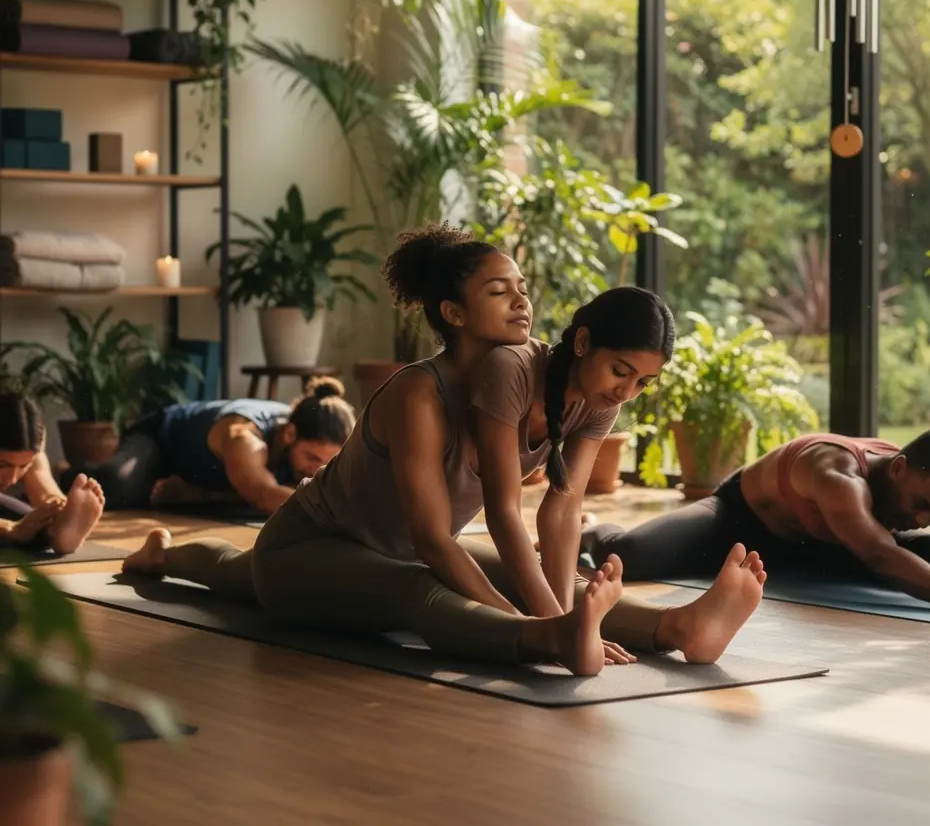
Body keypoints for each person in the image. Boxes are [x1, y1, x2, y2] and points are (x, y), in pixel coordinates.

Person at [121, 226, 765, 675]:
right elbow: (433, 538)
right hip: (311, 550)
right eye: (498, 290)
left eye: (521, 287)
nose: (521, 299)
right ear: (454, 314)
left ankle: (677, 628)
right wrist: (540, 621)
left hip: (386, 552)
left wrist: (550, 598)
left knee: (539, 578)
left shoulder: (544, 382)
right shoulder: (418, 396)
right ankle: (546, 640)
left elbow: (557, 515)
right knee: (407, 590)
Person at [467, 286, 765, 664]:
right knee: (463, 591)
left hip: (442, 540)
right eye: (620, 371)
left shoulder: (599, 402)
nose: (626, 391)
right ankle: (570, 631)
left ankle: (680, 626)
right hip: (408, 548)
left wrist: (569, 623)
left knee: (562, 585)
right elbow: (503, 511)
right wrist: (560, 627)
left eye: (642, 382)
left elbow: (562, 511)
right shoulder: (512, 369)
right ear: (583, 342)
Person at [581, 430, 930, 617]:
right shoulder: (837, 476)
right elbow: (880, 555)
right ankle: (590, 526)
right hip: (741, 525)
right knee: (629, 555)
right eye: (921, 505)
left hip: (828, 546)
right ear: (898, 468)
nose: (925, 519)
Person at [65, 379, 355, 515]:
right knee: (119, 489)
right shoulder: (246, 437)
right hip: (161, 439)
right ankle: (64, 475)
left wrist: (199, 493)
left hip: (198, 475)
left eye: (326, 463)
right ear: (290, 434)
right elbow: (264, 497)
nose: (316, 470)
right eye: (312, 457)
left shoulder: (301, 447)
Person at [0, 391, 105, 553]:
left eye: (24, 465)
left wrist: (60, 511)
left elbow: (43, 488)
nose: (12, 479)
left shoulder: (32, 441)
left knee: (33, 523)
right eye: (2, 464)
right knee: (20, 528)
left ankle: (57, 532)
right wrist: (9, 529)